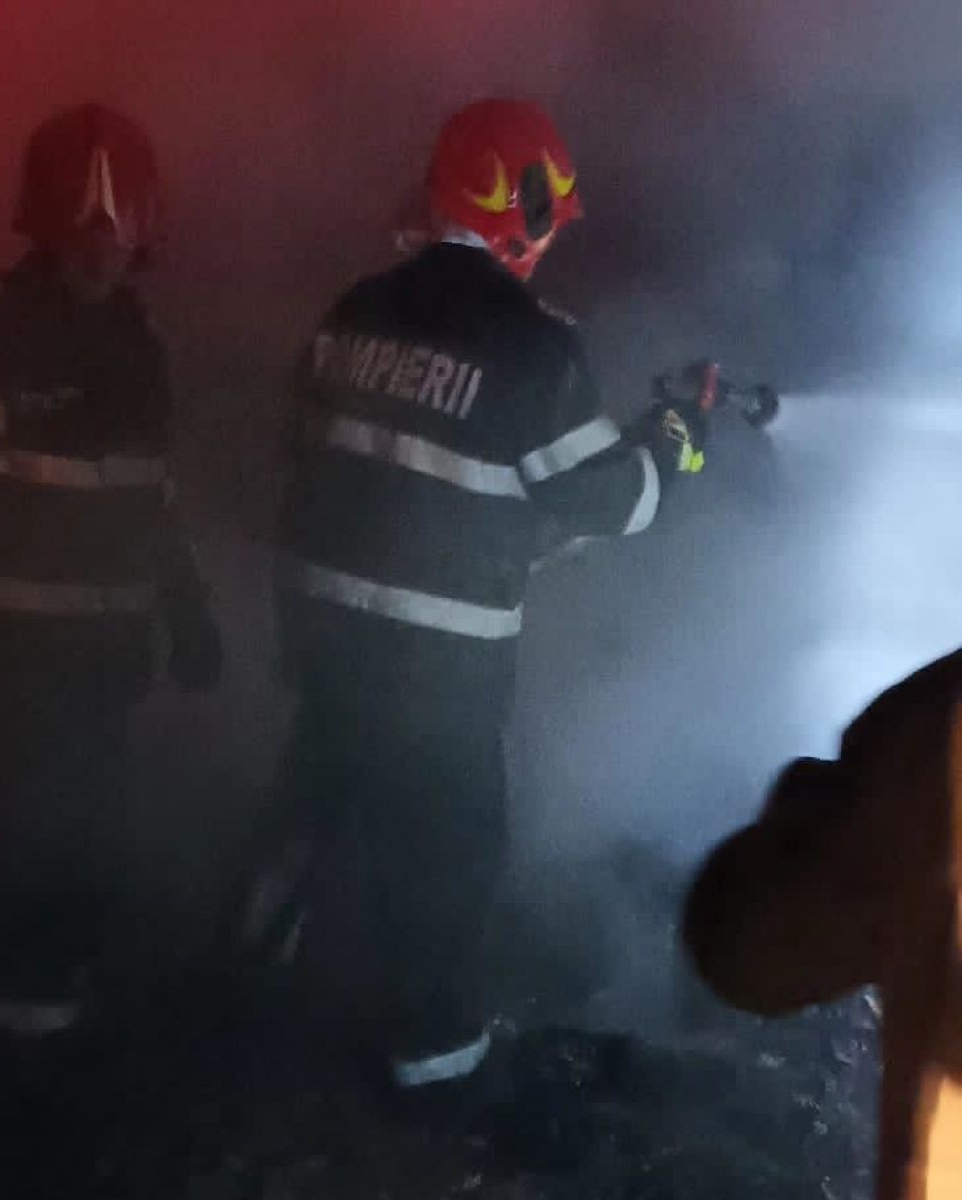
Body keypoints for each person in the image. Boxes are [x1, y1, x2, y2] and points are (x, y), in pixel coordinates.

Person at [246, 98, 710, 1093]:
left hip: (322, 631)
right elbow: (616, 501)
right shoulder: (531, 347)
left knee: (318, 799)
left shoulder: (356, 308)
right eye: (548, 219)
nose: (550, 242)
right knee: (447, 849)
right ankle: (436, 1060)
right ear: (520, 212)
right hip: (438, 664)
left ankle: (241, 989)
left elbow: (311, 451)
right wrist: (678, 437)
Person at [0, 102, 221, 1035]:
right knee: (10, 850)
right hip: (5, 666)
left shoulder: (139, 343)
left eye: (118, 231)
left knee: (85, 849)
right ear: (40, 224)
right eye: (82, 231)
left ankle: (56, 1023)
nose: (101, 253)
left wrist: (186, 608)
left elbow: (152, 494)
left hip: (101, 665)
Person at [684, 650, 962, 1200]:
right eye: (812, 992)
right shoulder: (887, 741)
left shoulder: (901, 750)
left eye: (806, 971)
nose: (838, 983)